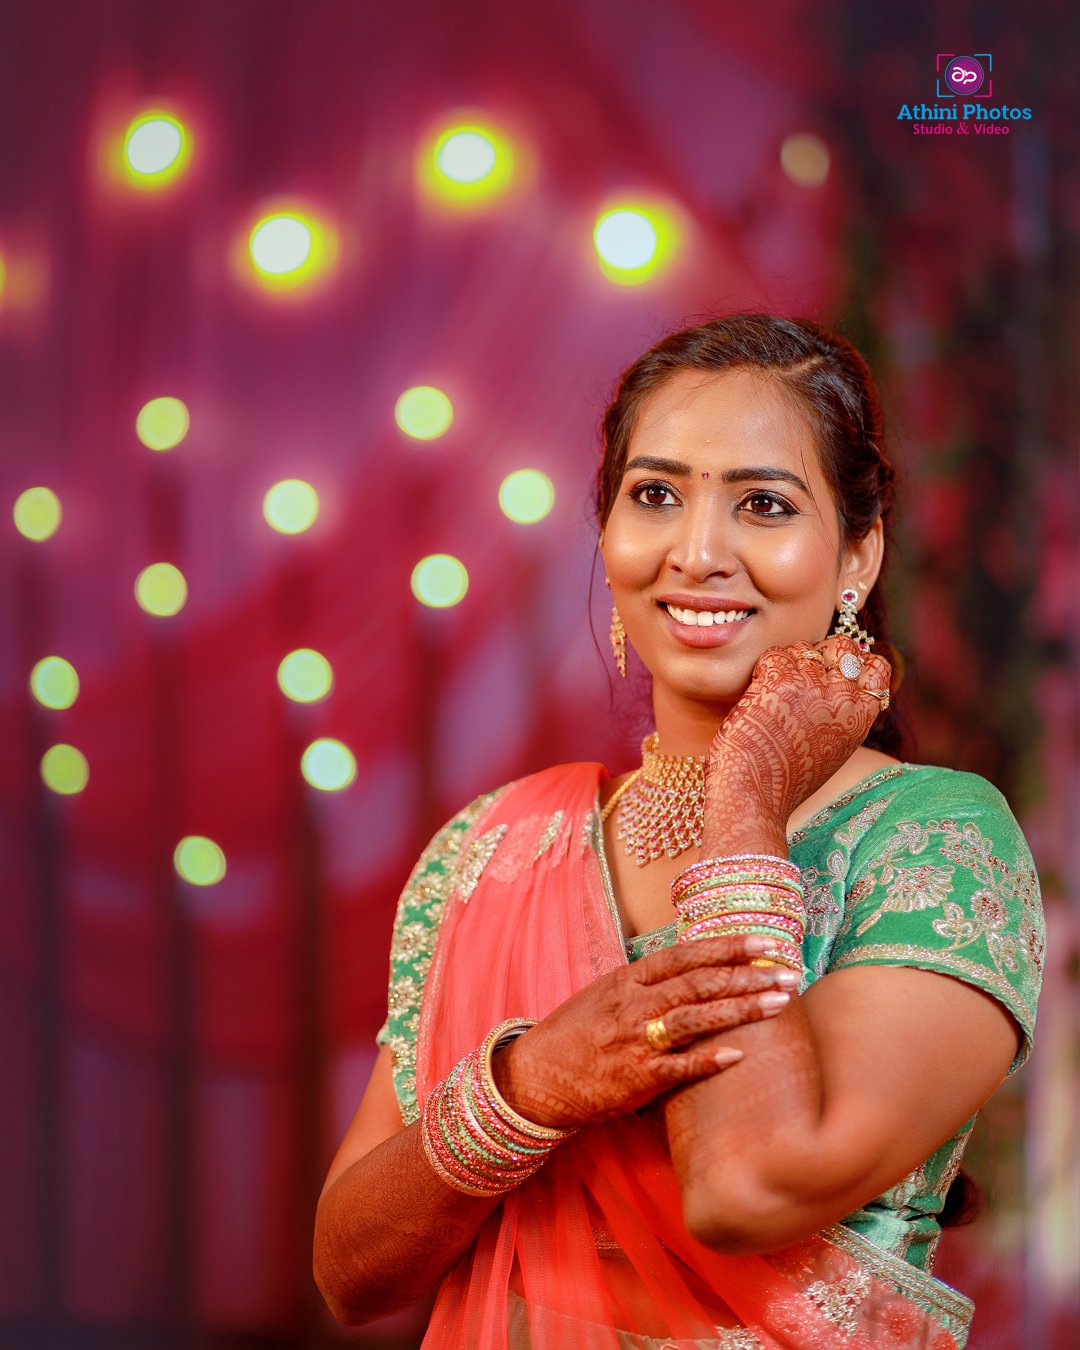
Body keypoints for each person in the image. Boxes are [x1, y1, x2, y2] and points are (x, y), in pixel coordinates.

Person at [313, 315, 1044, 1348]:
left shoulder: (933, 841)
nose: (699, 553)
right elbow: (350, 1272)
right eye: (655, 495)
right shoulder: (494, 850)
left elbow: (745, 1191)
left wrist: (742, 797)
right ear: (608, 538)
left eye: (763, 505)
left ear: (857, 557)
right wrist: (529, 1084)